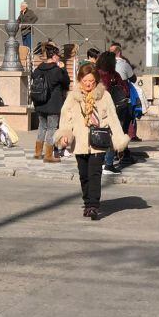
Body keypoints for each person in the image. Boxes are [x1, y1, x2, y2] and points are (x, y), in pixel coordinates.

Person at [53, 63, 130, 220]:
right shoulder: (72, 97)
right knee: (84, 175)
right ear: (80, 79)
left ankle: (93, 206)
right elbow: (65, 117)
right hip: (79, 142)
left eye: (92, 81)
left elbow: (113, 119)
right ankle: (87, 201)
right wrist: (65, 135)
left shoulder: (104, 96)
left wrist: (118, 140)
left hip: (98, 141)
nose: (88, 84)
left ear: (96, 81)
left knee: (95, 173)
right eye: (85, 80)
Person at [31, 42, 70, 163]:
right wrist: (63, 68)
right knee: (52, 128)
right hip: (53, 104)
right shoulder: (57, 70)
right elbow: (66, 82)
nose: (59, 57)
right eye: (58, 55)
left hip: (40, 103)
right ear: (54, 57)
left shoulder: (38, 69)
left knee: (42, 127)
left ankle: (38, 153)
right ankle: (48, 155)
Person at [96, 51, 131, 174]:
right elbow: (125, 91)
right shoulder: (113, 75)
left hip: (96, 109)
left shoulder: (94, 74)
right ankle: (108, 164)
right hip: (113, 109)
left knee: (99, 134)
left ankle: (98, 162)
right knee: (112, 135)